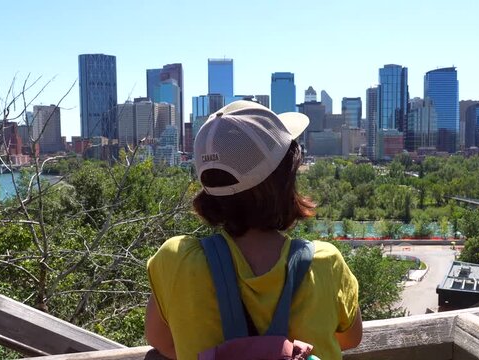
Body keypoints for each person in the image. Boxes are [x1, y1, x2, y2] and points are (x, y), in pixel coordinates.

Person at [145, 100, 362, 359]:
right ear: (285, 181)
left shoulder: (177, 260)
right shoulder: (325, 263)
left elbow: (162, 341)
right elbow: (350, 338)